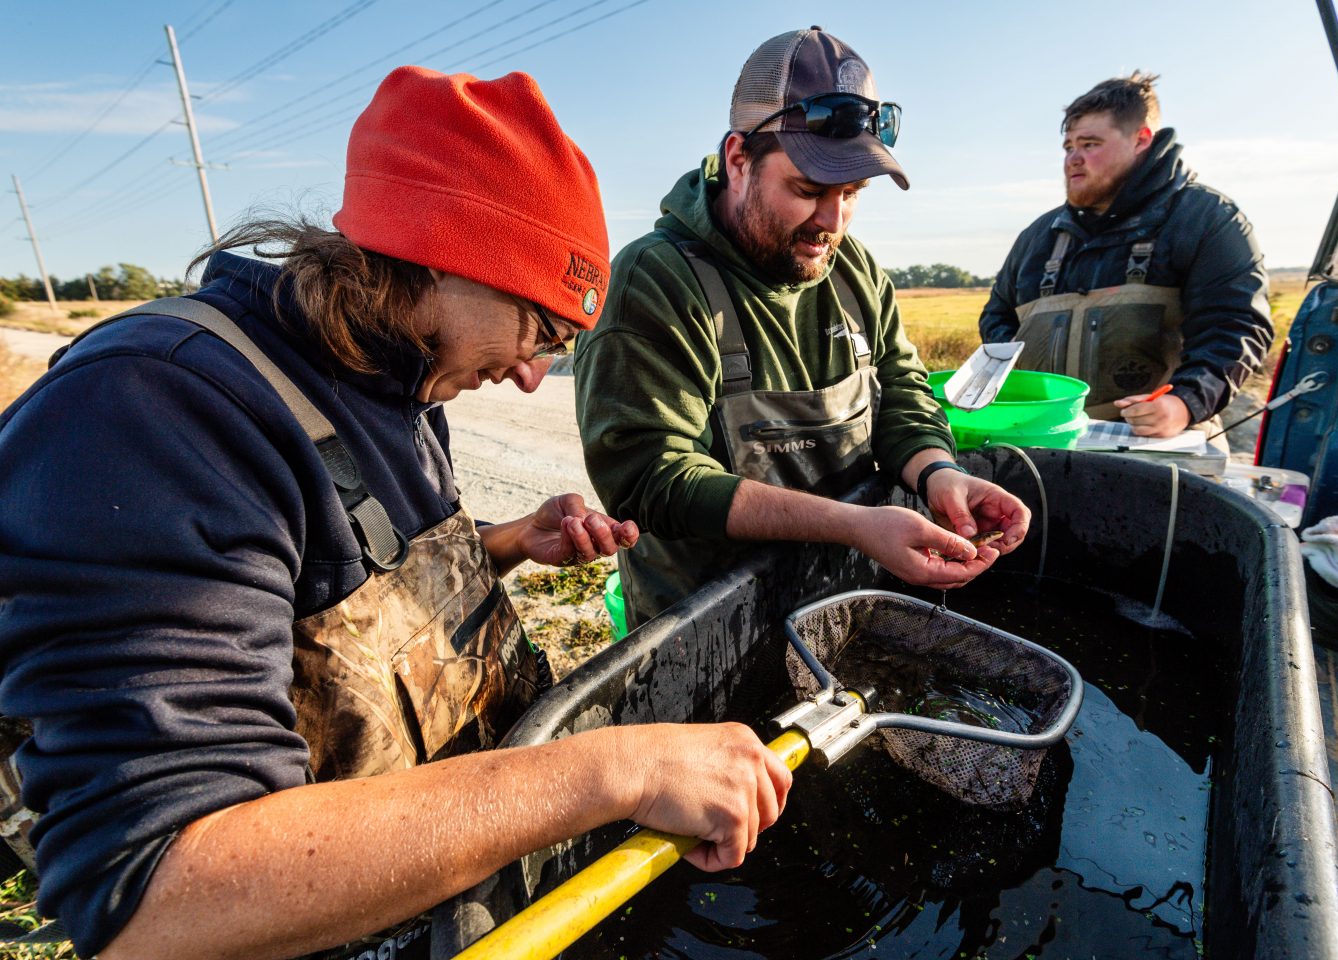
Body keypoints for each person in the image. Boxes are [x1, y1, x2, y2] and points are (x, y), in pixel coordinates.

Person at [0, 67, 792, 960]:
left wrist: (498, 547)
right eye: (538, 328)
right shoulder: (148, 414)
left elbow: (314, 605)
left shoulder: (396, 375)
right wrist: (616, 769)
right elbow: (156, 897)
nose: (534, 375)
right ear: (447, 253)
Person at [573, 27, 1031, 628]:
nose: (832, 221)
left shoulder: (854, 269)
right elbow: (651, 479)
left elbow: (901, 391)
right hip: (708, 630)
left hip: (838, 598)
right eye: (808, 189)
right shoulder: (653, 282)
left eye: (852, 192)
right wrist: (853, 525)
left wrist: (939, 472)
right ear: (738, 159)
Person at [978, 71, 1272, 441]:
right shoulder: (1039, 235)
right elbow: (998, 315)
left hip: (1158, 446)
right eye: (1069, 147)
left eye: (1090, 144)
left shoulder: (1206, 219)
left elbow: (1235, 326)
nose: (1074, 159)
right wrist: (1019, 380)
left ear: (1141, 140)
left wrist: (1185, 403)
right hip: (1045, 438)